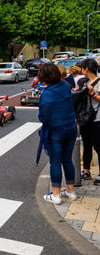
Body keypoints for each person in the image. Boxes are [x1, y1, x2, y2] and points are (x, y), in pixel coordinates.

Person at [37, 63, 77, 204]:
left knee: (55, 162)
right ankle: (70, 192)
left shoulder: (47, 94)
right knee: (67, 159)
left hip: (56, 131)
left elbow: (43, 117)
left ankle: (56, 195)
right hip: (71, 127)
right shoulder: (65, 85)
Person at [79, 59, 100, 185]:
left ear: (86, 69)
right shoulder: (85, 82)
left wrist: (92, 93)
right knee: (86, 146)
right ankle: (86, 171)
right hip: (85, 119)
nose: (82, 71)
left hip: (97, 120)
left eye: (82, 69)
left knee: (98, 147)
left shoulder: (99, 82)